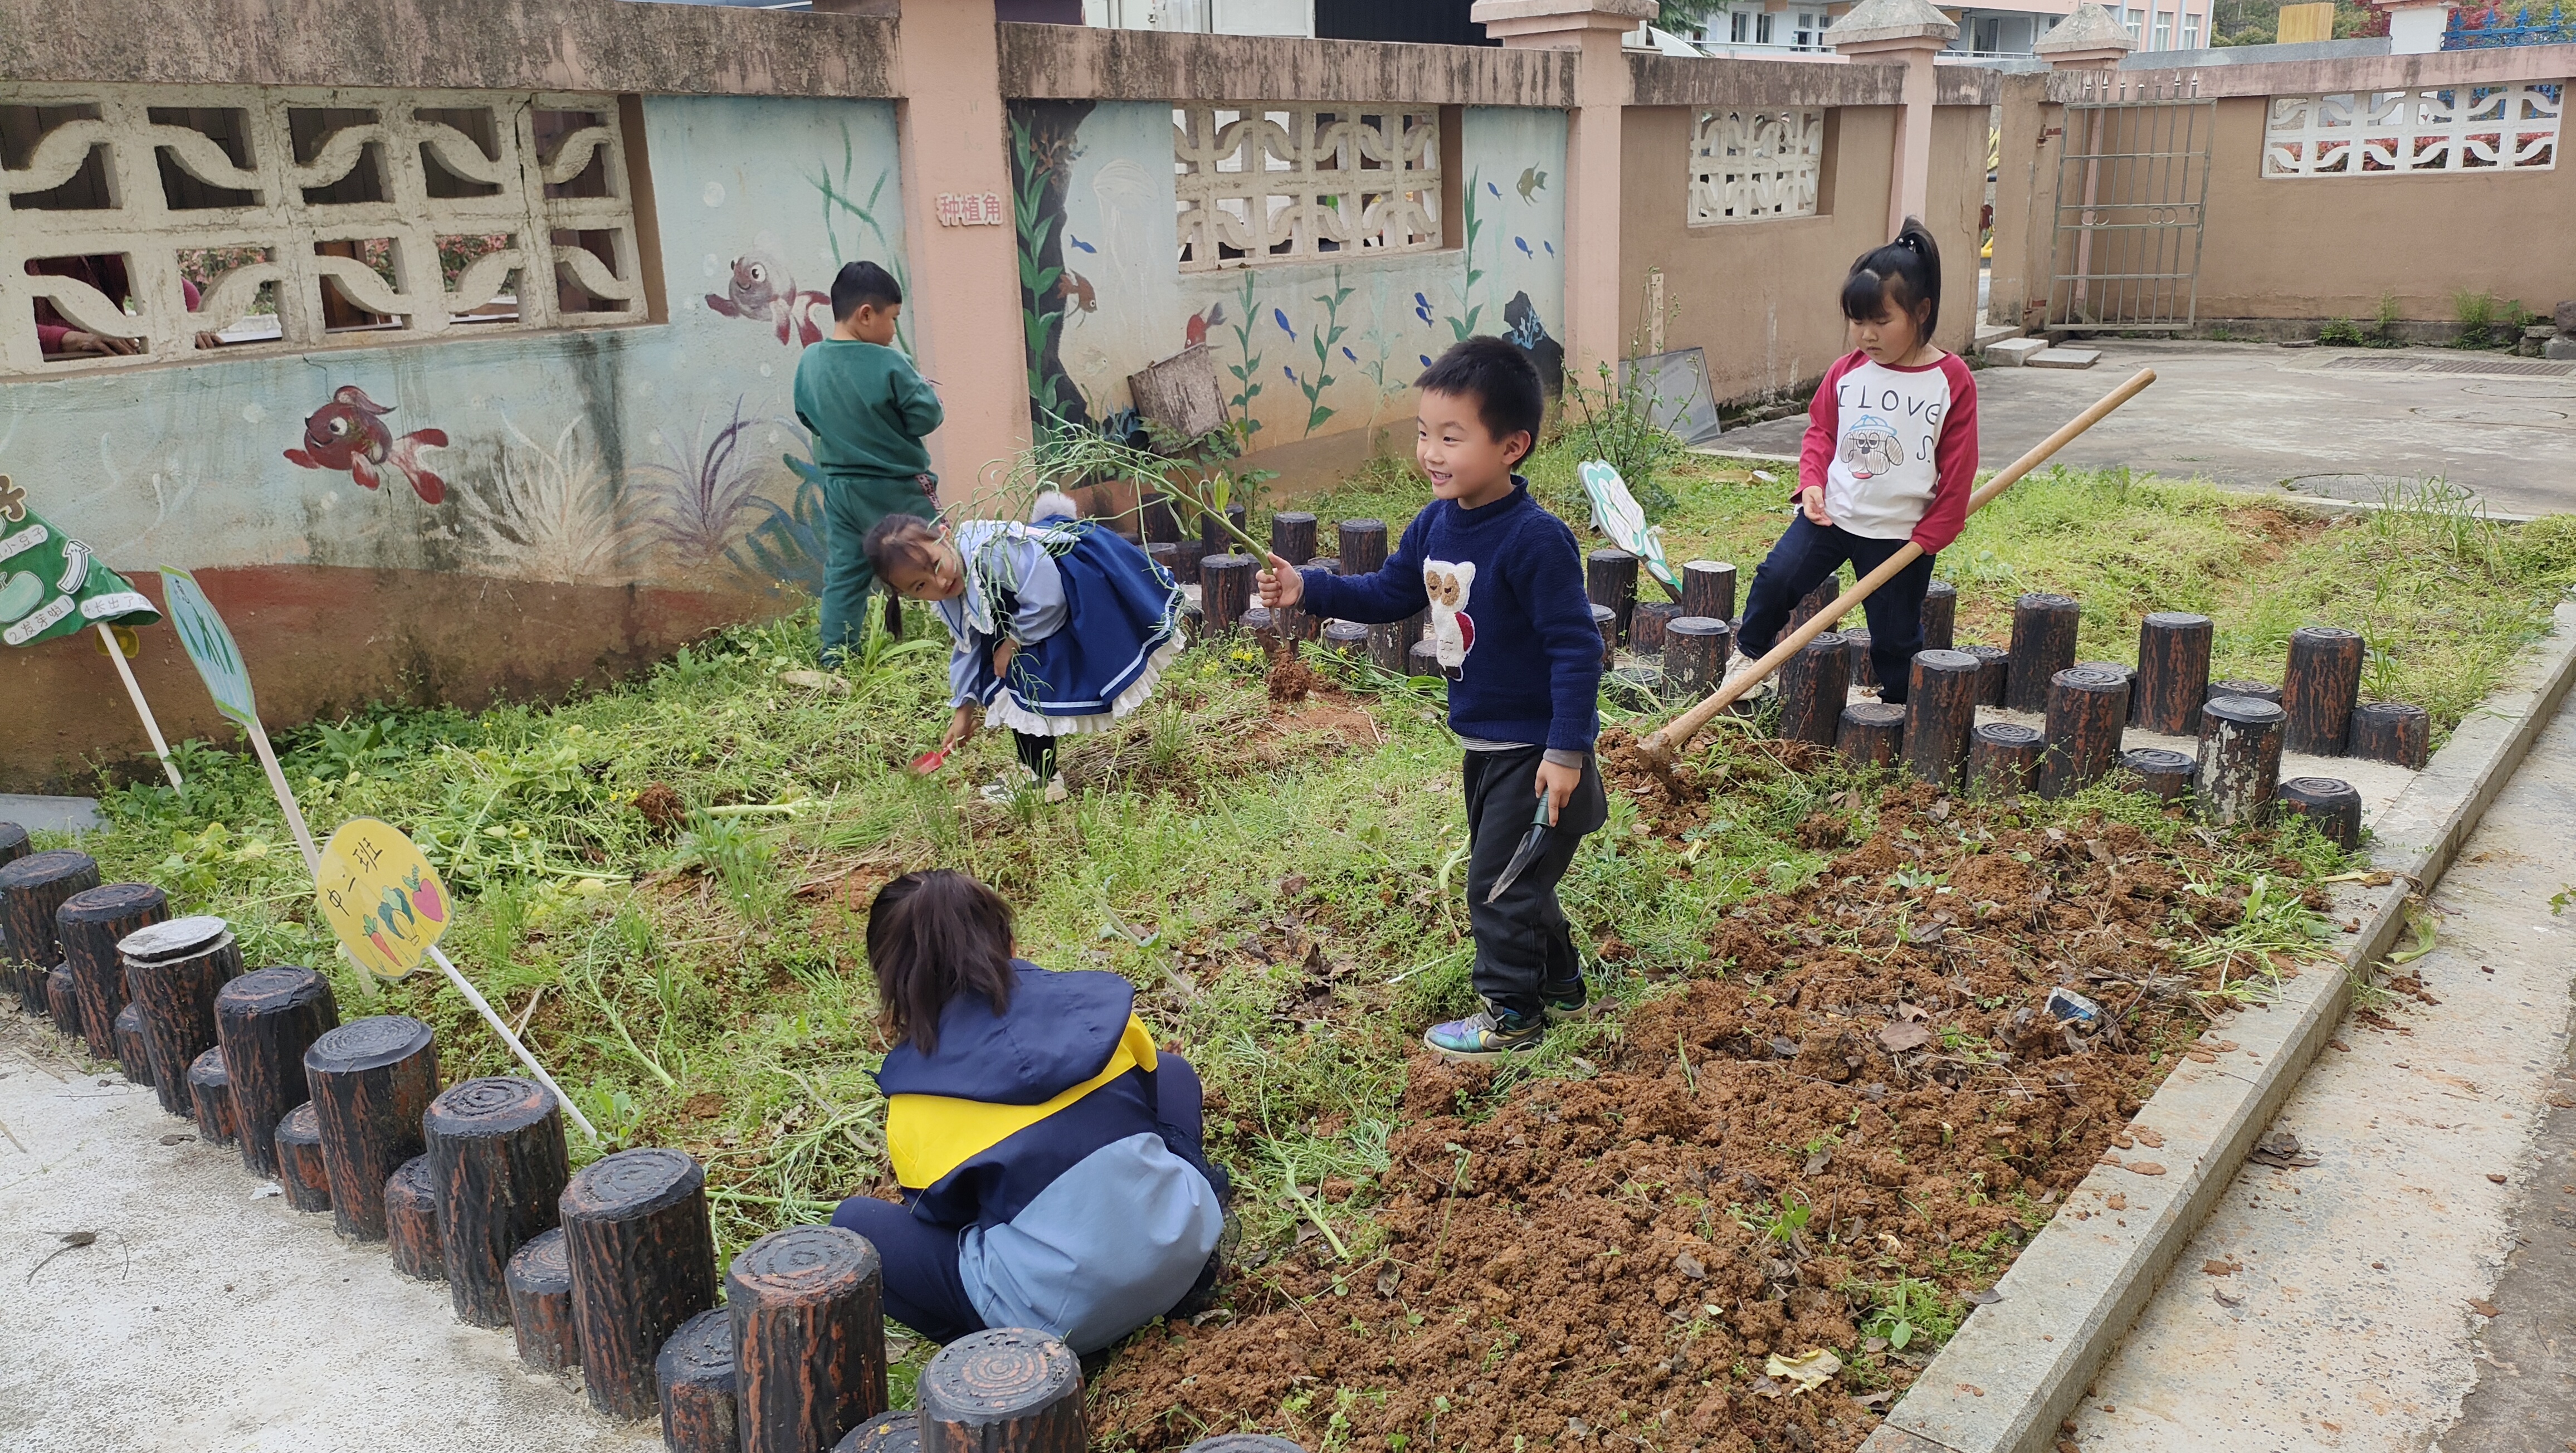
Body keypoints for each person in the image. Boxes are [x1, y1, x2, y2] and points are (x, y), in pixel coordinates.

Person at [1256, 336, 1607, 1062]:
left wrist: (1567, 751)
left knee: (1497, 884)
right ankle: (1563, 984)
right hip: (1486, 748)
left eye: (1453, 436)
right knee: (1520, 873)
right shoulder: (1436, 522)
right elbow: (1389, 591)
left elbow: (1577, 650)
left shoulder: (1536, 541)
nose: (1432, 452)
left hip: (1534, 752)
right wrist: (1309, 587)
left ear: (1513, 445)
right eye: (1424, 434)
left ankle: (1512, 1016)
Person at [831, 870, 1228, 1353]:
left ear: (895, 984)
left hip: (1056, 1322)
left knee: (854, 1226)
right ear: (1009, 940)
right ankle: (1171, 1267)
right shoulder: (1100, 1016)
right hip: (1185, 1249)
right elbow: (1149, 1100)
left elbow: (947, 1221)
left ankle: (1004, 1356)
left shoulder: (916, 1101)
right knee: (1172, 1072)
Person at [1727, 218, 1978, 704]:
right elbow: (1821, 430)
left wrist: (1931, 538)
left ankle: (1901, 709)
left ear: (1921, 311)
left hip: (1899, 535)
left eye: (1881, 321)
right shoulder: (1848, 372)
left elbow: (1960, 465)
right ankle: (1748, 656)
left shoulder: (1950, 379)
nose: (1866, 334)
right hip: (1832, 515)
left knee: (1896, 636)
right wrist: (1812, 484)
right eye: (1857, 321)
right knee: (1776, 577)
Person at [868, 494, 1183, 803]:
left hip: (1071, 590)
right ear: (905, 594)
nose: (939, 583)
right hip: (1028, 608)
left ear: (945, 536)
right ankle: (1037, 772)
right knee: (1009, 678)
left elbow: (1049, 598)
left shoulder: (992, 551)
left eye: (936, 566)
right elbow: (969, 645)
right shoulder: (953, 581)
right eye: (920, 586)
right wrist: (963, 710)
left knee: (1027, 679)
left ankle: (1042, 779)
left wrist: (1014, 642)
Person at [792, 260, 944, 665]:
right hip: (900, 485)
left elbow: (807, 416)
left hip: (841, 489)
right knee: (941, 552)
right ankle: (977, 627)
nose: (894, 330)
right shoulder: (889, 363)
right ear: (865, 315)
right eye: (892, 318)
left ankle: (835, 655)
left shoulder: (809, 362)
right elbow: (927, 417)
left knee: (845, 571)